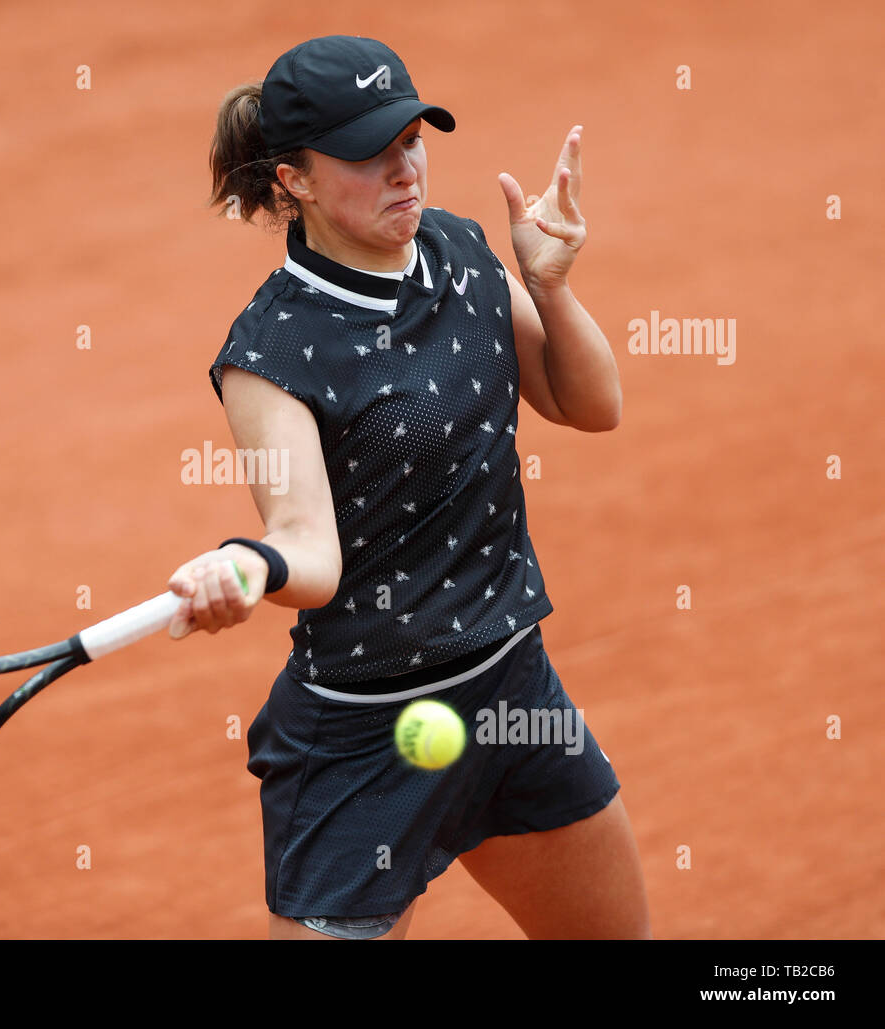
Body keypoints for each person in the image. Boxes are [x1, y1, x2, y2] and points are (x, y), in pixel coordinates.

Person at [166, 35, 651, 940]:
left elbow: (590, 405)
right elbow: (308, 548)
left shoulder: (463, 253)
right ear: (292, 182)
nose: (403, 168)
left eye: (411, 137)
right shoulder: (269, 356)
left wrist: (548, 287)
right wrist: (248, 564)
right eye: (365, 153)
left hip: (511, 692)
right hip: (362, 740)